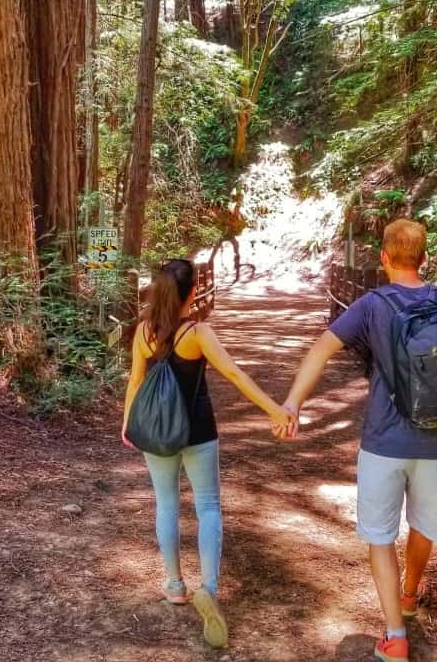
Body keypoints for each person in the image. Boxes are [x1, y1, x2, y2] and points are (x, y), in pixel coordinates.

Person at [278, 219, 437, 662]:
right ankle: (411, 594)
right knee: (423, 524)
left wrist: (293, 403)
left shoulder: (373, 304)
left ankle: (394, 636)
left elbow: (321, 349)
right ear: (425, 258)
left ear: (384, 258)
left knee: (380, 535)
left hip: (382, 441)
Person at [121, 258, 295, 649]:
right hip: (198, 431)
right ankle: (209, 588)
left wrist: (128, 423)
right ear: (193, 292)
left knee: (166, 503)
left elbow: (135, 382)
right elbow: (235, 374)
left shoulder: (142, 332)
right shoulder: (197, 333)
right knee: (208, 507)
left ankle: (174, 584)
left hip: (156, 433)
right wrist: (274, 410)